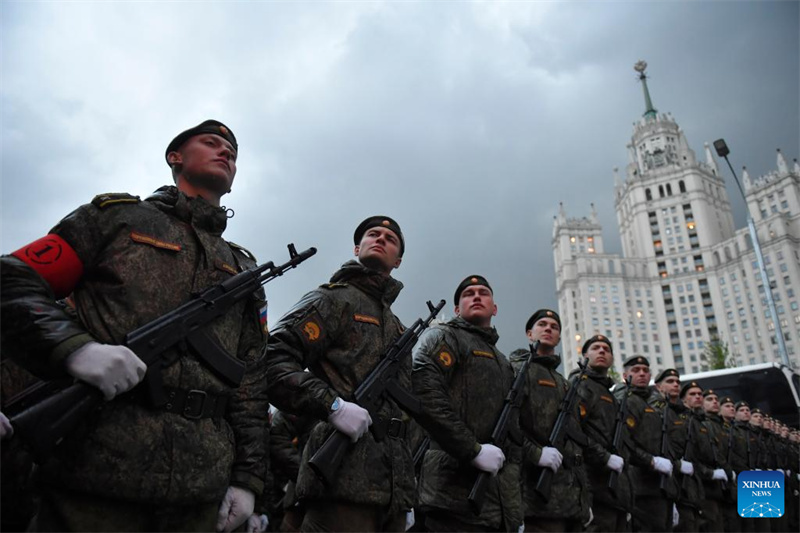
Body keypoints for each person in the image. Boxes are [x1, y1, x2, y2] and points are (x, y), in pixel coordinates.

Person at [0, 120, 269, 532]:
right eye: (211, 142)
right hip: (93, 474)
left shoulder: (242, 268)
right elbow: (15, 279)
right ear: (175, 157)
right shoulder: (117, 220)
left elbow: (250, 378)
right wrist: (74, 348)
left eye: (232, 153)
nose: (225, 153)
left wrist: (248, 480)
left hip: (200, 491)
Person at [265, 216, 414, 532]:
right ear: (357, 248)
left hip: (393, 494)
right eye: (373, 234)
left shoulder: (399, 328)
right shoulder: (333, 299)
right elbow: (273, 357)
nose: (381, 238)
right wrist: (332, 406)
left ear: (398, 261)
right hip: (340, 485)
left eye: (390, 238)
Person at [411, 275, 522, 532]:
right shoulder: (445, 336)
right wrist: (473, 450)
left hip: (496, 506)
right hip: (450, 495)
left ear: (495, 308)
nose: (476, 296)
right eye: (468, 294)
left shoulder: (503, 362)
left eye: (483, 292)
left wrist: (514, 511)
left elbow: (513, 433)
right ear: (457, 309)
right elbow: (425, 393)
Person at [508, 309, 589, 532]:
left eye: (554, 327)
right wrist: (536, 453)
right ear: (529, 334)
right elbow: (508, 426)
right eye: (542, 324)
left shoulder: (564, 382)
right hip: (533, 498)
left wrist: (584, 498)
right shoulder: (519, 370)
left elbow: (575, 446)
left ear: (559, 338)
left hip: (569, 500)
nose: (548, 329)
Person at [574, 335, 634, 532]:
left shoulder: (610, 394)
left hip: (616, 493)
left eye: (606, 349)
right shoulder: (581, 384)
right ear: (585, 356)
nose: (602, 351)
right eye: (596, 348)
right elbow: (575, 431)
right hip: (594, 486)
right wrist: (604, 457)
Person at [618, 356, 675, 532]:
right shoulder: (627, 400)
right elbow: (625, 441)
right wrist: (651, 461)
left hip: (661, 486)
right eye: (636, 370)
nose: (642, 374)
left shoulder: (652, 403)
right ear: (625, 376)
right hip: (640, 486)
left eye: (645, 370)